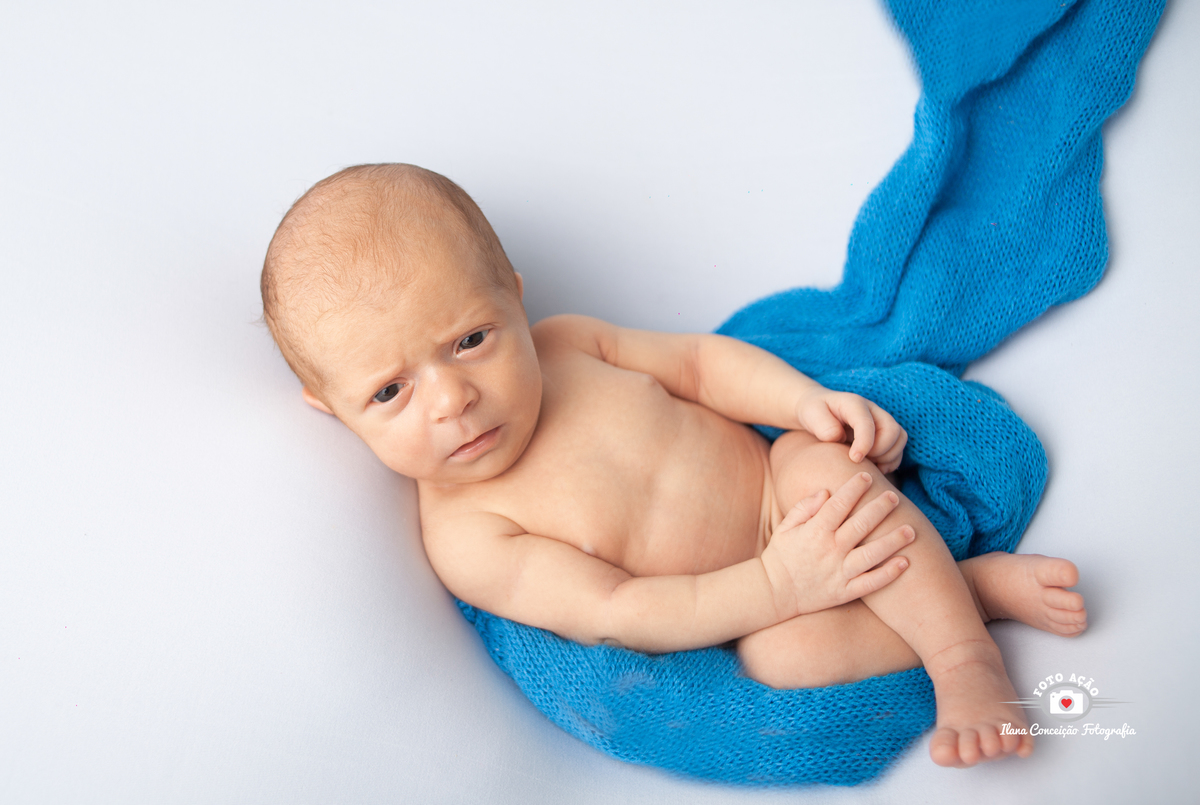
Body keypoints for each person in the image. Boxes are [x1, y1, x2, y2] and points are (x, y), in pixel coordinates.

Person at [260, 163, 1088, 768]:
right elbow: (620, 608)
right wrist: (779, 588)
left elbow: (696, 365)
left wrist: (800, 403)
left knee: (822, 469)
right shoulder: (468, 535)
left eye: (471, 340)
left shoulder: (570, 343)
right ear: (331, 407)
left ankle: (962, 657)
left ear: (514, 294)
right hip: (753, 602)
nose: (451, 400)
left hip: (775, 487)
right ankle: (974, 587)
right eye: (390, 391)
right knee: (788, 662)